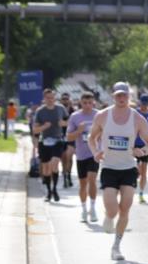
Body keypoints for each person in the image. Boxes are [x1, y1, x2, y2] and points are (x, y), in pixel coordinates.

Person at [87, 82, 148, 261]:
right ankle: (109, 217)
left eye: (124, 95)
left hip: (128, 168)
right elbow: (91, 138)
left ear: (129, 96)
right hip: (109, 167)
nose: (121, 98)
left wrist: (143, 151)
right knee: (112, 209)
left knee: (125, 207)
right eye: (118, 95)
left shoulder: (137, 118)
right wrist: (95, 152)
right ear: (113, 96)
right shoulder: (102, 116)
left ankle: (116, 246)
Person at [67, 92, 101, 223]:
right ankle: (83, 209)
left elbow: (106, 132)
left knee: (92, 180)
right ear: (80, 103)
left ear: (93, 102)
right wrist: (79, 131)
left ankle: (92, 208)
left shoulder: (99, 115)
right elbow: (69, 137)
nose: (87, 105)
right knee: (83, 183)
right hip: (81, 154)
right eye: (85, 103)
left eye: (90, 103)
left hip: (94, 153)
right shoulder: (75, 116)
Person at [33, 89, 69, 202]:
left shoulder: (61, 108)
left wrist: (63, 123)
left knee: (54, 164)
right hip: (44, 141)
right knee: (46, 168)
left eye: (52, 97)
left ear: (55, 98)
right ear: (44, 98)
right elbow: (35, 130)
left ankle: (55, 189)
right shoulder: (40, 111)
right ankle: (48, 192)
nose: (50, 100)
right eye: (48, 98)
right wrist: (44, 127)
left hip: (58, 140)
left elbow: (69, 122)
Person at [60, 93, 75, 188]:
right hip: (61, 136)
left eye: (67, 99)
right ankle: (64, 173)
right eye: (63, 99)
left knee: (69, 156)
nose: (65, 101)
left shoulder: (73, 111)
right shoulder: (58, 110)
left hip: (70, 136)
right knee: (63, 157)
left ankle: (68, 174)